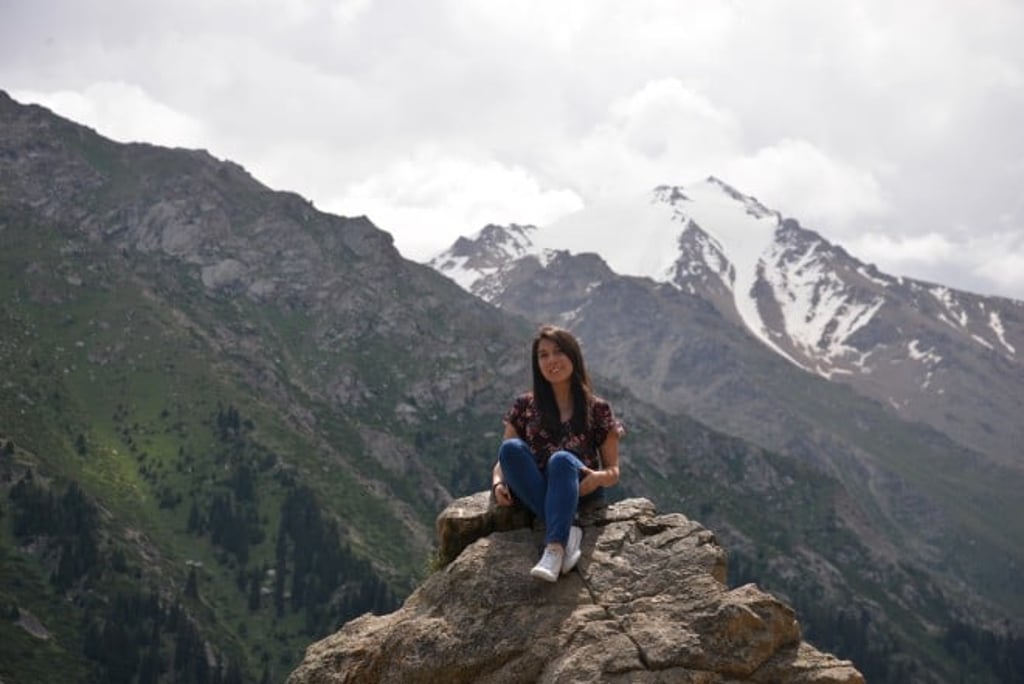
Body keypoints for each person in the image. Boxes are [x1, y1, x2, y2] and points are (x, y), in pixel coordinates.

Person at [491, 325, 622, 582]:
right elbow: (503, 461)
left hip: (580, 486)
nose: (551, 360)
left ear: (573, 356)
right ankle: (568, 529)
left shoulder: (598, 409)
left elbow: (613, 471)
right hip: (538, 486)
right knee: (510, 449)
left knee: (561, 460)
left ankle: (554, 548)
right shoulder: (524, 405)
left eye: (559, 352)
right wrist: (498, 484)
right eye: (543, 355)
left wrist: (596, 478)